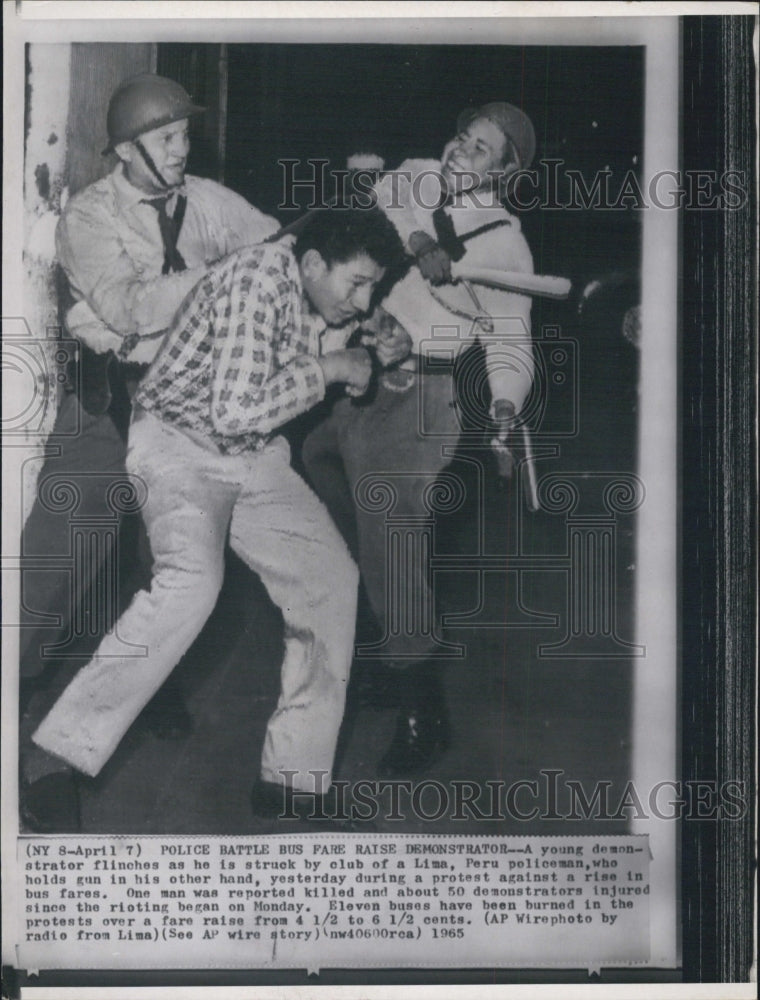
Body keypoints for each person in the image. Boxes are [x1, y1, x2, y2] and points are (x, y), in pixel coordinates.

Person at [31, 207, 407, 824]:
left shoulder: (312, 287)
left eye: (374, 288)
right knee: (192, 583)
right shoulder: (258, 278)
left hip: (251, 455)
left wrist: (377, 338)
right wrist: (332, 368)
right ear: (312, 263)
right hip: (180, 445)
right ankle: (53, 756)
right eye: (359, 285)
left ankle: (293, 778)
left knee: (329, 580)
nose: (364, 302)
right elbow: (236, 409)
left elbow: (314, 346)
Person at [19, 73, 279, 830]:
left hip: (184, 412)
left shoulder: (210, 201)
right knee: (53, 578)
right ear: (128, 148)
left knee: (167, 572)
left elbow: (275, 249)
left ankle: (96, 729)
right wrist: (221, 277)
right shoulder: (90, 216)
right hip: (109, 408)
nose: (183, 148)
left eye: (186, 135)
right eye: (168, 137)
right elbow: (127, 307)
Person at [302, 102, 537, 777]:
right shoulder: (422, 176)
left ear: (507, 171)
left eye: (483, 149)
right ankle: (384, 652)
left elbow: (510, 337)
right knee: (319, 494)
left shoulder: (502, 245)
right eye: (463, 136)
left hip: (421, 397)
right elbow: (387, 192)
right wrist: (416, 242)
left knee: (393, 546)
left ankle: (420, 709)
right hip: (357, 375)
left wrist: (502, 403)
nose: (463, 151)